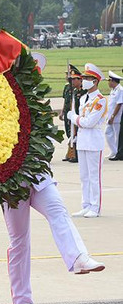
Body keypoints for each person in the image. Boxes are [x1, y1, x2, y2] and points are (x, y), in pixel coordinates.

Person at [3, 173, 106, 304]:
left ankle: (79, 257)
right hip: (11, 184)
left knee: (59, 212)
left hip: (39, 175)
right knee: (19, 241)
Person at [67, 63, 107, 218]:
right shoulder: (83, 98)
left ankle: (95, 207)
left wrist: (74, 117)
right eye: (83, 78)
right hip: (83, 140)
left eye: (87, 78)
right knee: (84, 176)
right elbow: (83, 122)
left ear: (95, 81)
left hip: (94, 141)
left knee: (93, 176)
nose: (84, 80)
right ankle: (86, 204)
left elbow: (89, 122)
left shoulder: (100, 100)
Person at [105, 71, 122, 158]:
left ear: (113, 81)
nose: (108, 83)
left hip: (116, 117)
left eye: (109, 81)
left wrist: (113, 116)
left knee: (117, 135)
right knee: (107, 133)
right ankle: (113, 151)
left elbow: (118, 104)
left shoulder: (120, 90)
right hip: (110, 116)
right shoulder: (113, 90)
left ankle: (117, 152)